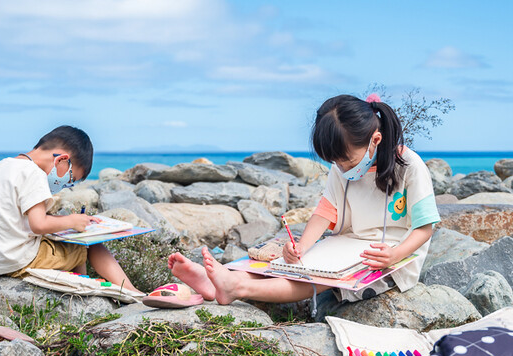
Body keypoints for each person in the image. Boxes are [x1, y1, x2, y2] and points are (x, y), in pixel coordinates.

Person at [168, 93, 440, 307]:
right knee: (295, 264)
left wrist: (395, 254)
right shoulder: (341, 168)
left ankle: (237, 288)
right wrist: (302, 246)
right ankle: (219, 281)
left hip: (389, 256)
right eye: (335, 162)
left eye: (347, 161)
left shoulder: (410, 166)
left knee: (319, 278)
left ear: (375, 140)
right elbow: (326, 210)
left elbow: (425, 227)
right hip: (347, 246)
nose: (342, 169)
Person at [0, 125, 139, 292]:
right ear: (61, 159)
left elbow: (23, 220)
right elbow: (38, 225)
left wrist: (70, 220)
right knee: (85, 245)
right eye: (70, 178)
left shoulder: (1, 167)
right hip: (19, 260)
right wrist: (72, 221)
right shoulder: (34, 173)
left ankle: (78, 282)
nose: (66, 185)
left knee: (66, 241)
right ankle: (129, 291)